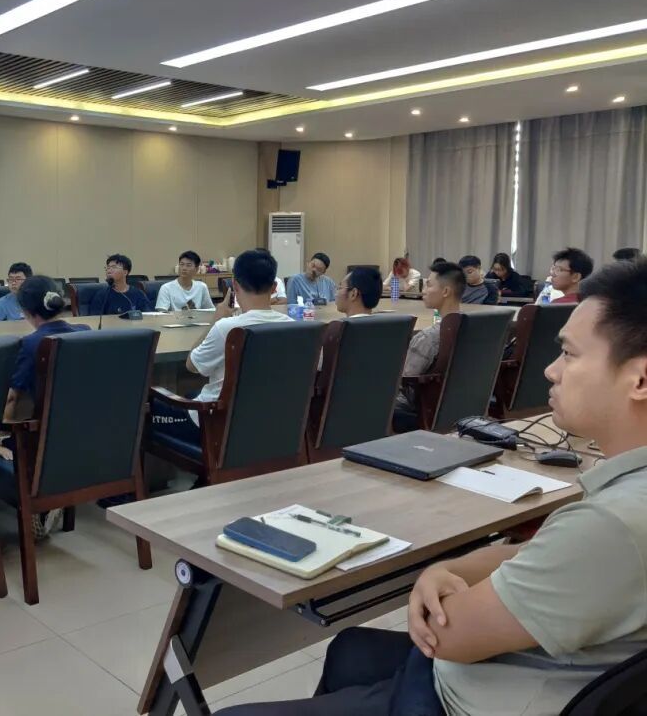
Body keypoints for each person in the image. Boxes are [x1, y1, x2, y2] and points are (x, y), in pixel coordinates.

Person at [218, 258, 647, 716]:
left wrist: (433, 581)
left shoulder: (611, 525)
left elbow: (445, 635)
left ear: (640, 379)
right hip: (532, 674)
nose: (551, 371)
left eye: (569, 354)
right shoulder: (620, 505)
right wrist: (450, 568)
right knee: (349, 649)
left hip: (466, 699)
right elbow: (535, 554)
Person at [150, 249, 287, 447]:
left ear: (235, 286)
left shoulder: (226, 328)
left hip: (216, 423)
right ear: (274, 287)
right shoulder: (295, 326)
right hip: (270, 422)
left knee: (149, 410)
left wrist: (215, 321)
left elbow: (192, 365)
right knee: (192, 394)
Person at [0, 275, 90, 539]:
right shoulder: (84, 333)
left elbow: (13, 401)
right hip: (80, 435)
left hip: (40, 442)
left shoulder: (31, 344)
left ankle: (34, 503)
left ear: (25, 311)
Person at [393, 262, 465, 427]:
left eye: (429, 285)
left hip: (422, 412)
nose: (423, 290)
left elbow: (405, 382)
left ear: (446, 291)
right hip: (462, 406)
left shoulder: (428, 338)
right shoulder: (475, 330)